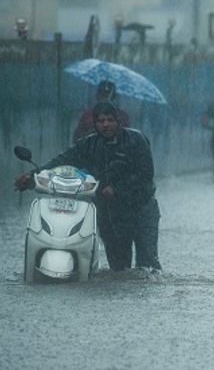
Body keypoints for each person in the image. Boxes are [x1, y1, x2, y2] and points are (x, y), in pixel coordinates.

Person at [15, 101, 161, 272]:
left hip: (141, 209)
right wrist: (33, 176)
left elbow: (145, 175)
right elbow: (62, 162)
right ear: (95, 123)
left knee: (148, 267)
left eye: (110, 120)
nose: (106, 124)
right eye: (101, 120)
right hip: (110, 213)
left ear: (118, 121)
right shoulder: (88, 145)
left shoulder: (136, 140)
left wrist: (117, 189)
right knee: (119, 270)